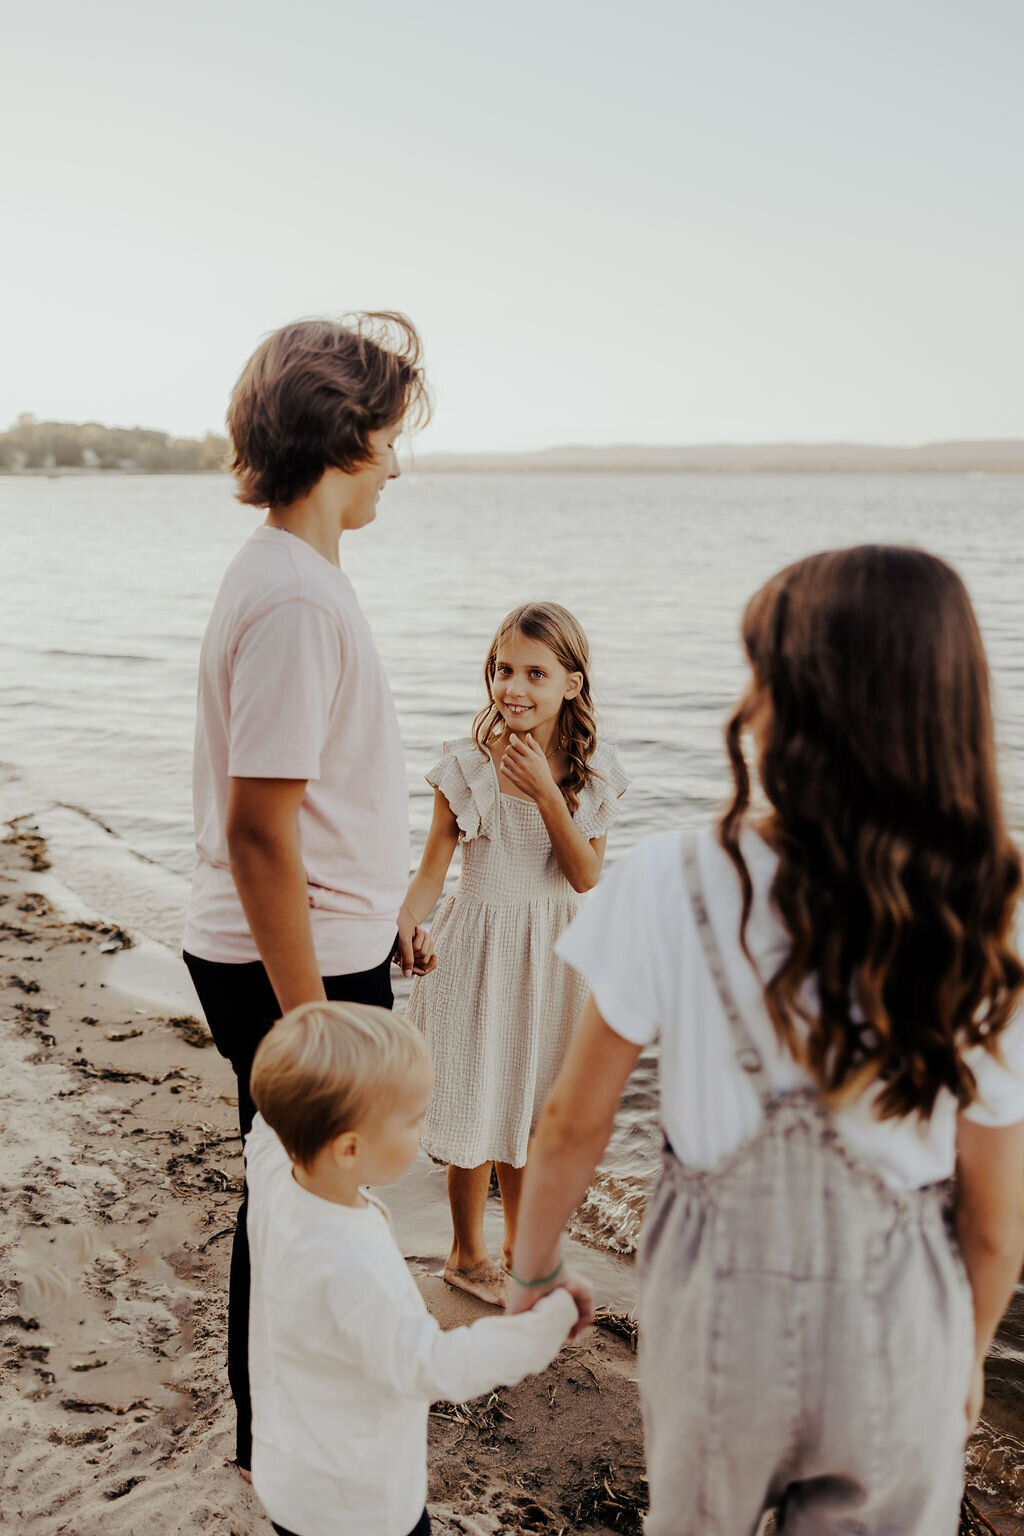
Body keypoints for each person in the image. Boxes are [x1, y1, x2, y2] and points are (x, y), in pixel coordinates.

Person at [509, 546, 1024, 1535]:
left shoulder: (673, 878)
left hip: (718, 1323)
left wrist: (532, 1272)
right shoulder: (985, 909)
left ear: (786, 701)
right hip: (899, 1333)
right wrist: (963, 1353)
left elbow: (574, 1119)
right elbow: (995, 1218)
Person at [182, 313, 434, 1474]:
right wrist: (313, 1017)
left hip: (319, 942)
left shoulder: (301, 577)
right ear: (345, 436)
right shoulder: (291, 598)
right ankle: (289, 1432)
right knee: (308, 1200)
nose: (395, 458)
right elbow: (258, 831)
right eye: (388, 433)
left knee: (290, 1194)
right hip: (298, 961)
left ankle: (269, 1426)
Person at [245, 1000, 583, 1536]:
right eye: (412, 1120)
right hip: (359, 1505)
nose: (423, 1127)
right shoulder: (352, 1263)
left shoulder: (274, 1176)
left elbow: (263, 1128)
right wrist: (539, 1330)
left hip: (290, 1477)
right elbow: (432, 1366)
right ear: (350, 1148)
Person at [402, 602, 628, 1307]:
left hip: (555, 960)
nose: (514, 687)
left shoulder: (590, 773)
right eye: (504, 669)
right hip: (476, 955)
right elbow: (433, 872)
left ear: (572, 683)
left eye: (536, 672)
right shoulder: (467, 769)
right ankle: (467, 1254)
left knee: (532, 1109)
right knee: (476, 1103)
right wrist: (408, 923)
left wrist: (545, 795)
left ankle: (522, 1250)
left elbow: (585, 875)